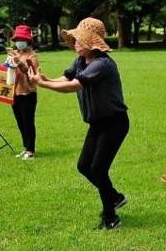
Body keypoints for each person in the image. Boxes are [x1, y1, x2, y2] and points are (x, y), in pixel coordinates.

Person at [30, 17, 129, 230]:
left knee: (99, 169)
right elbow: (66, 79)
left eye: (80, 40)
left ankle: (111, 218)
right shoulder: (80, 61)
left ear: (92, 42)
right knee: (84, 166)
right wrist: (45, 79)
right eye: (75, 39)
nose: (75, 43)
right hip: (97, 123)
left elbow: (75, 85)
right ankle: (114, 196)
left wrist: (43, 84)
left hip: (114, 123)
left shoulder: (102, 64)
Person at [8, 23, 40, 159]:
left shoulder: (32, 56)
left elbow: (30, 72)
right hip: (15, 93)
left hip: (28, 94)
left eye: (22, 40)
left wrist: (19, 63)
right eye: (17, 40)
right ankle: (25, 147)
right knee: (20, 122)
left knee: (28, 122)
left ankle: (31, 151)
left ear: (28, 41)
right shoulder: (16, 54)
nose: (20, 43)